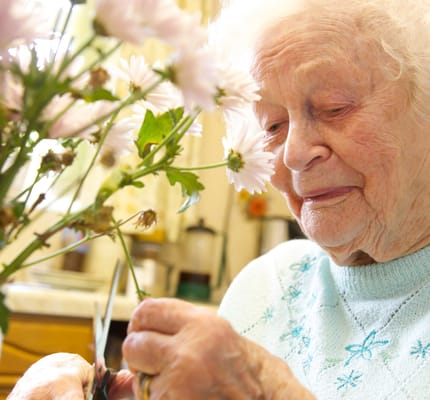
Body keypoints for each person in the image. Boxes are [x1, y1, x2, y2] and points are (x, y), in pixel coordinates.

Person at [8, 0, 430, 398]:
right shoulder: (267, 283)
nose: (294, 153)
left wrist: (268, 391)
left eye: (335, 108)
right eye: (273, 125)